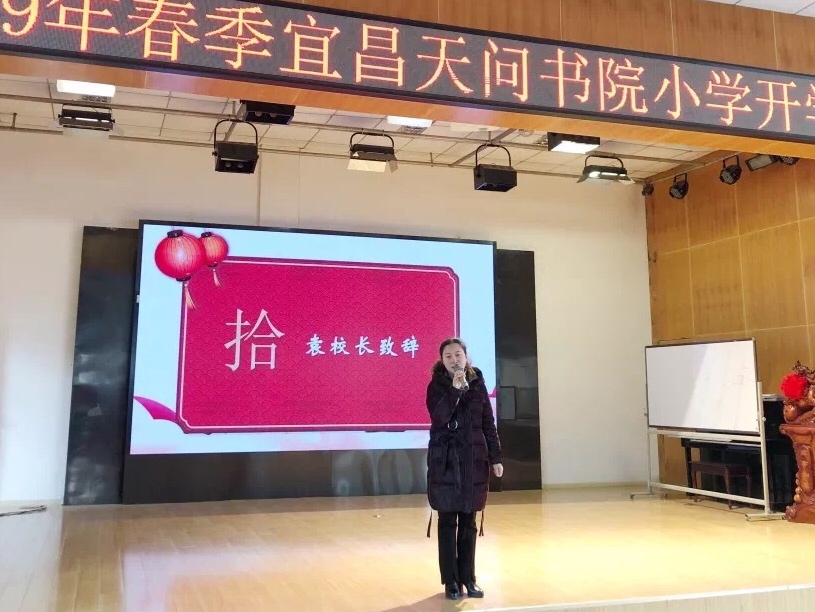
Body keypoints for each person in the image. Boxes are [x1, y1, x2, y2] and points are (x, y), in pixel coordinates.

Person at [425, 338, 503, 600]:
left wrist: (496, 457)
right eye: (448, 356)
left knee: (469, 522)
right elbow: (439, 417)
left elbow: (487, 422)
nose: (454, 360)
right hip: (446, 463)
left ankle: (469, 579)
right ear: (442, 360)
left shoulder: (477, 384)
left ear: (466, 357)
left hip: (473, 461)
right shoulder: (436, 386)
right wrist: (455, 390)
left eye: (458, 354)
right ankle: (451, 581)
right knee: (448, 521)